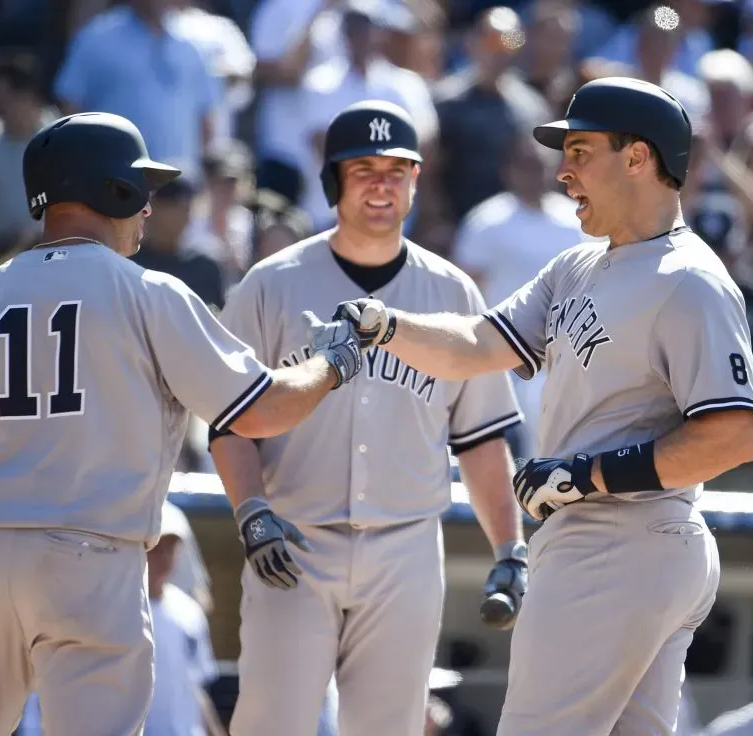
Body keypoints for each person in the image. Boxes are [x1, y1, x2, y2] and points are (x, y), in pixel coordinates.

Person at [0, 111, 365, 736]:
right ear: (114, 188)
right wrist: (333, 363)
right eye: (143, 189)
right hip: (91, 562)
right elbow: (264, 409)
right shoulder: (149, 294)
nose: (148, 207)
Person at [331, 78, 753, 735]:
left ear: (639, 158)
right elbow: (479, 343)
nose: (563, 171)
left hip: (618, 544)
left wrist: (589, 476)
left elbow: (733, 435)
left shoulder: (690, 281)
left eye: (582, 151)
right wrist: (386, 324)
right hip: (624, 548)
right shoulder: (578, 266)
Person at [210, 99, 527, 736]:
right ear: (333, 182)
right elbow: (229, 423)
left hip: (405, 546)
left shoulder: (453, 292)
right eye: (363, 170)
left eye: (396, 169)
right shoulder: (271, 284)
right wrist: (251, 512)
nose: (381, 184)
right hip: (294, 541)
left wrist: (510, 547)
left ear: (415, 180)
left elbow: (483, 438)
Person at [144, 501, 227, 736]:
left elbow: (196, 686)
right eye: (156, 548)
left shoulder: (189, 612)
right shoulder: (118, 612)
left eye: (171, 548)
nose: (164, 558)